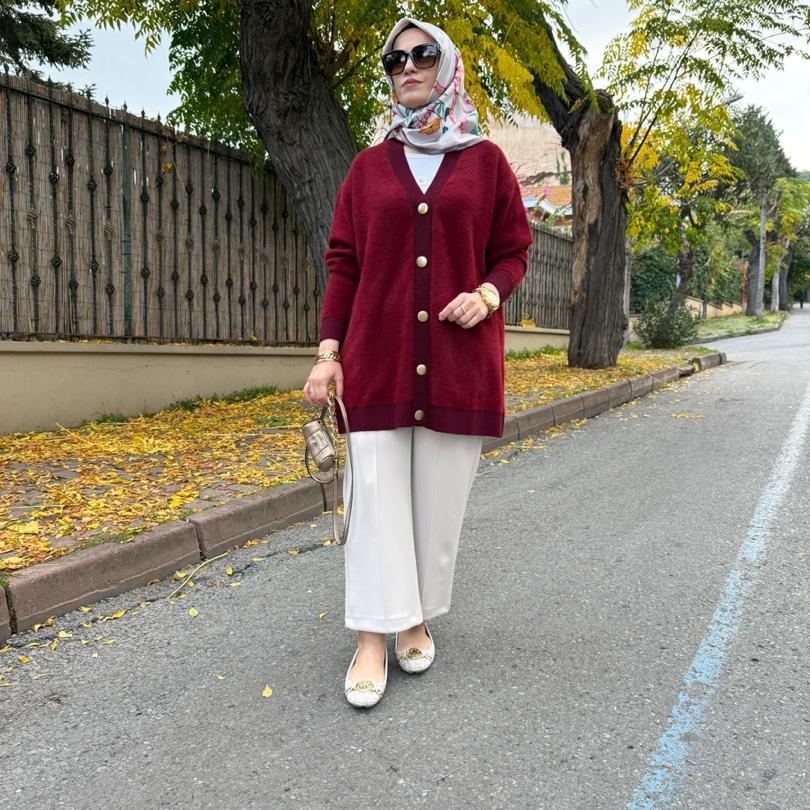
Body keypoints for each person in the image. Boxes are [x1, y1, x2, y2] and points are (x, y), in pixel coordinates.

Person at [303, 17, 532, 708]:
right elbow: (344, 263)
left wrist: (487, 295)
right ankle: (372, 637)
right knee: (374, 500)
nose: (407, 66)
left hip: (459, 363)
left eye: (422, 54)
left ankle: (413, 617)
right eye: (394, 58)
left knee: (436, 506)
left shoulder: (487, 163)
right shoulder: (368, 167)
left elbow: (513, 250)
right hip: (376, 361)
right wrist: (328, 352)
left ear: (447, 65)